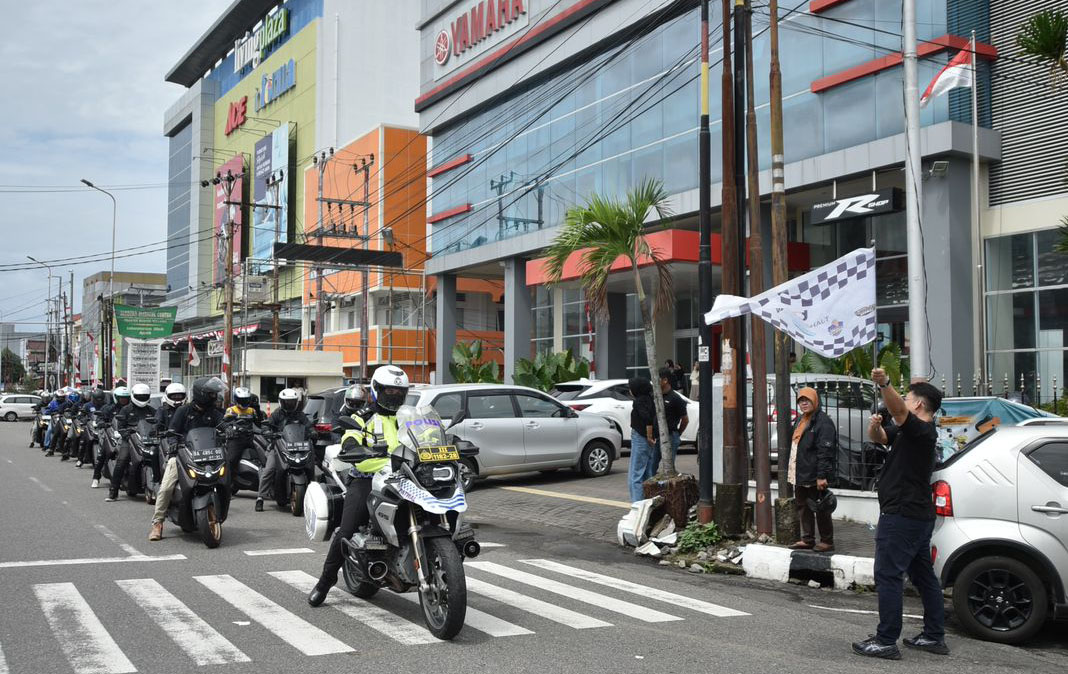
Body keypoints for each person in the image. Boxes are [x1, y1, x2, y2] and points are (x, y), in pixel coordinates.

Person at [852, 368, 947, 660]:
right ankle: (933, 636)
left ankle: (886, 640)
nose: (904, 401)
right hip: (915, 515)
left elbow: (900, 412)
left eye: (908, 398)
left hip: (903, 515)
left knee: (888, 574)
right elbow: (879, 437)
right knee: (923, 576)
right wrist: (875, 425)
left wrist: (886, 384)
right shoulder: (909, 432)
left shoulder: (922, 430)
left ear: (918, 404)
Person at [307, 366, 410, 607]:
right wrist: (353, 447)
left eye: (399, 391)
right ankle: (324, 582)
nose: (394, 394)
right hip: (367, 477)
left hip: (406, 476)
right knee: (347, 529)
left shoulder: (409, 416)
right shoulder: (362, 416)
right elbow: (349, 438)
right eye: (389, 390)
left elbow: (430, 434)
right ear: (377, 390)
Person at [151, 378, 225, 540]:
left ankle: (220, 510)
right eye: (211, 394)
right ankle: (158, 523)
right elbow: (172, 431)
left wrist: (231, 430)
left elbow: (223, 425)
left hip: (209, 455)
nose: (214, 396)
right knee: (166, 487)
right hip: (183, 454)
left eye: (215, 393)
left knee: (226, 480)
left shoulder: (214, 412)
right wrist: (173, 444)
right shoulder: (183, 411)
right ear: (201, 394)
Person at [786, 387, 837, 552]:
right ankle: (807, 539)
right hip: (800, 472)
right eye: (801, 400)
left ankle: (827, 541)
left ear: (815, 400)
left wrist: (821, 475)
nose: (804, 403)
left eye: (807, 400)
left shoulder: (823, 422)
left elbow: (825, 450)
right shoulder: (801, 420)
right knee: (803, 505)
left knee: (820, 507)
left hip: (814, 473)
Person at [255, 388, 313, 512]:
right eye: (287, 402)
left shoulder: (300, 414)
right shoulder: (277, 413)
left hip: (297, 447)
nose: (290, 404)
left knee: (312, 465)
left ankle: (313, 497)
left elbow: (308, 426)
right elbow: (266, 425)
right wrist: (267, 431)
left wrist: (312, 431)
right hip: (278, 446)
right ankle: (260, 498)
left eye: (292, 402)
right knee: (269, 469)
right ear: (282, 402)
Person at [106, 383, 156, 502]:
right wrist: (125, 434)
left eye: (144, 396)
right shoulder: (126, 409)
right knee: (122, 461)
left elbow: (157, 424)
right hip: (130, 440)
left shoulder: (151, 410)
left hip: (147, 440)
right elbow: (121, 425)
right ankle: (113, 491)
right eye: (139, 396)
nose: (142, 398)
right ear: (133, 396)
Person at [90, 387, 129, 488]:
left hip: (125, 434)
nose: (124, 400)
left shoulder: (129, 408)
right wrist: (102, 423)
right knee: (102, 454)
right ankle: (96, 477)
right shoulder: (108, 408)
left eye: (126, 398)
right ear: (116, 398)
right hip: (110, 433)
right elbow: (99, 419)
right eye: (121, 398)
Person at [627, 377, 657, 503]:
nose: (629, 390)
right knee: (647, 473)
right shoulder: (650, 399)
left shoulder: (639, 401)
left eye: (631, 388)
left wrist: (649, 436)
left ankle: (637, 506)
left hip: (641, 438)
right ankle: (648, 504)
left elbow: (647, 418)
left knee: (635, 475)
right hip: (647, 439)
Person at [653, 368, 689, 469]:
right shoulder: (656, 396)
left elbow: (685, 419)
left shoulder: (675, 398)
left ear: (665, 380)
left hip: (671, 436)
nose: (654, 382)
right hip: (658, 436)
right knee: (652, 464)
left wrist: (677, 433)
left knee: (668, 466)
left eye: (657, 379)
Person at [223, 386, 260, 481]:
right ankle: (229, 482)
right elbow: (226, 423)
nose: (244, 402)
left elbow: (258, 423)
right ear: (236, 399)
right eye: (241, 400)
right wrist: (230, 428)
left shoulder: (252, 410)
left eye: (246, 400)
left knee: (263, 454)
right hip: (236, 438)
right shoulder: (231, 410)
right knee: (231, 459)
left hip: (251, 437)